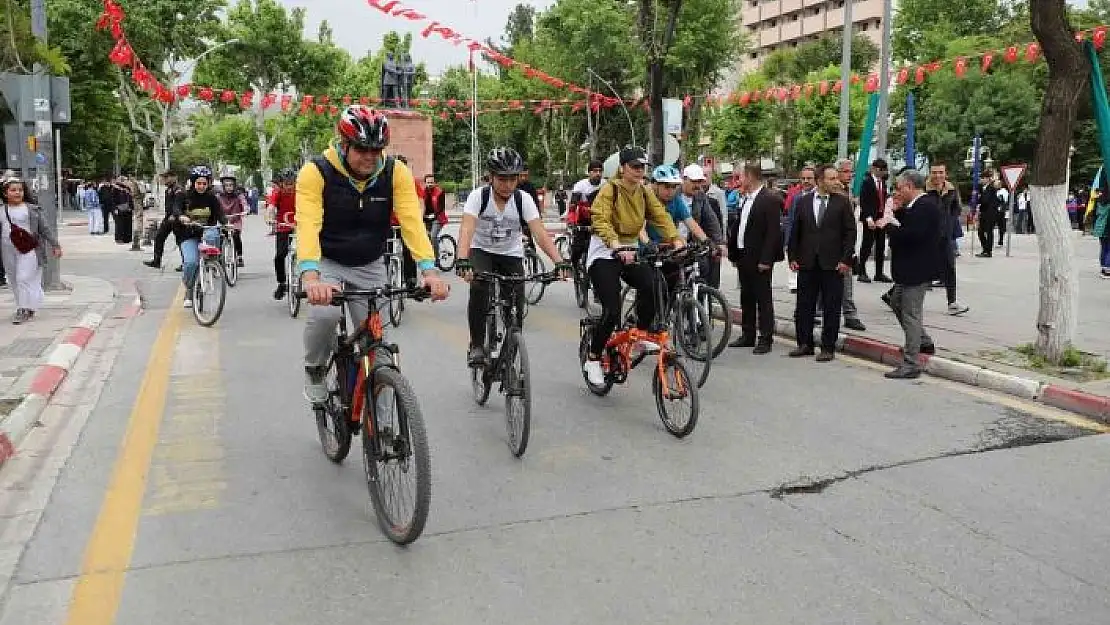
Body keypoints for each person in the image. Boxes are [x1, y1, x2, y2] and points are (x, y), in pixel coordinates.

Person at [296, 105, 450, 404]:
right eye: (361, 149)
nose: (369, 157)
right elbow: (308, 225)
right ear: (344, 144)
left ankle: (385, 431)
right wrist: (311, 276)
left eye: (376, 150)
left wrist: (430, 271)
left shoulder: (396, 172)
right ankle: (315, 369)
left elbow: (412, 224)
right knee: (325, 315)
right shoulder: (316, 172)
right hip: (329, 262)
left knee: (378, 351)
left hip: (371, 264)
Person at [455, 147, 569, 365]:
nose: (508, 185)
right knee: (479, 287)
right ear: (490, 177)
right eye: (502, 179)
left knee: (516, 307)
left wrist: (560, 262)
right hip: (482, 251)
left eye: (513, 179)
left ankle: (511, 351)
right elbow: (467, 230)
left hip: (511, 254)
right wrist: (462, 259)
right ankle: (477, 345)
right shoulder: (478, 197)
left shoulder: (523, 199)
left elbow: (540, 233)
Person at [581, 146, 683, 386]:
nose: (639, 171)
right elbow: (600, 219)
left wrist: (676, 239)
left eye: (642, 167)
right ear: (623, 168)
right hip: (605, 253)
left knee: (653, 283)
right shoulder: (610, 190)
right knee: (612, 310)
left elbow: (660, 216)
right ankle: (594, 357)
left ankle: (640, 332)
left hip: (630, 250)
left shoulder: (644, 192)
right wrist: (615, 244)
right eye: (635, 167)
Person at [873, 169, 942, 380]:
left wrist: (888, 227)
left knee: (910, 314)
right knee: (895, 301)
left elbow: (912, 235)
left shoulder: (925, 206)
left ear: (910, 186)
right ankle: (923, 341)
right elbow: (909, 224)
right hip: (908, 270)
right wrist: (898, 213)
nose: (897, 192)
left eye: (900, 188)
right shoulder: (916, 206)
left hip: (916, 270)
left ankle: (911, 362)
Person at [788, 164, 855, 362]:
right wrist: (792, 256)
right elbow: (796, 231)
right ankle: (805, 343)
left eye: (837, 178)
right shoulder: (803, 202)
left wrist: (846, 260)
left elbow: (850, 233)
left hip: (833, 263)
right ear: (820, 181)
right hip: (807, 262)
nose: (836, 182)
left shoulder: (842, 203)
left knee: (831, 306)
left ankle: (828, 347)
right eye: (832, 178)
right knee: (804, 305)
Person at [727, 162, 784, 354]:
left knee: (763, 298)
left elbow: (773, 232)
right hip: (744, 255)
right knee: (747, 297)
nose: (738, 181)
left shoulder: (769, 199)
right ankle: (748, 333)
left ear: (750, 176)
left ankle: (765, 338)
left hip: (760, 258)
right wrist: (734, 252)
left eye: (740, 176)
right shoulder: (746, 198)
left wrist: (766, 259)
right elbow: (741, 226)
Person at [0, 178, 61, 324]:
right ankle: (27, 305)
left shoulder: (32, 209)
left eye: (20, 190)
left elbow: (44, 229)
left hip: (29, 249)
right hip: (8, 250)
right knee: (13, 279)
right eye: (13, 190)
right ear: (5, 193)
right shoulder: (2, 210)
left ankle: (23, 309)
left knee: (23, 278)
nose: (17, 193)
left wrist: (55, 245)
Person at [173, 166, 225, 308]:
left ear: (208, 184)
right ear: (193, 182)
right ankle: (189, 288)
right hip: (188, 234)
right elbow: (176, 209)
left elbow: (220, 213)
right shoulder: (182, 195)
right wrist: (182, 217)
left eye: (204, 183)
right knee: (191, 263)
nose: (201, 186)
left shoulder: (212, 198)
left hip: (206, 232)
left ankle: (212, 263)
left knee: (214, 235)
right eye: (198, 183)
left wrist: (227, 224)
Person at [857, 159, 891, 283]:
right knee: (867, 244)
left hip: (881, 217)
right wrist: (868, 218)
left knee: (881, 245)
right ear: (874, 169)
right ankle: (862, 271)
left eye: (883, 170)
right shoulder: (867, 182)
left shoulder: (883, 182)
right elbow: (864, 200)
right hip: (870, 218)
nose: (881, 172)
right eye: (880, 170)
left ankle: (879, 273)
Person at [144, 171, 186, 269]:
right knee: (159, 237)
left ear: (174, 177)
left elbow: (178, 206)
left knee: (181, 241)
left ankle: (185, 263)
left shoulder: (179, 191)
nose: (164, 180)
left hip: (177, 219)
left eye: (166, 177)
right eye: (164, 178)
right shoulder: (169, 190)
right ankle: (156, 261)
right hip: (168, 218)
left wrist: (175, 216)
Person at [271, 168, 297, 299]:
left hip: (300, 226)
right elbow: (271, 207)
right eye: (286, 183)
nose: (289, 186)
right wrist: (269, 219)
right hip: (283, 226)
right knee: (279, 256)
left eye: (291, 183)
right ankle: (282, 283)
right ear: (281, 183)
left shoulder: (301, 192)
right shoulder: (278, 193)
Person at [217, 171, 248, 267]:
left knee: (236, 236)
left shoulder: (239, 195)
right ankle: (219, 257)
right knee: (220, 238)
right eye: (226, 185)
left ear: (234, 185)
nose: (228, 187)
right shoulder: (219, 196)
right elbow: (214, 206)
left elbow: (244, 204)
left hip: (236, 220)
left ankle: (239, 256)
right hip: (223, 220)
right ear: (223, 186)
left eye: (231, 185)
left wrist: (246, 210)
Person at [421, 173, 448, 254]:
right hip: (426, 218)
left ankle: (436, 257)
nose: (430, 184)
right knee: (425, 237)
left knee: (433, 236)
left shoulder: (440, 192)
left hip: (438, 218)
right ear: (425, 183)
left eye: (431, 182)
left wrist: (434, 215)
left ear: (434, 182)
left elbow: (441, 207)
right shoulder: (423, 192)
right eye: (428, 183)